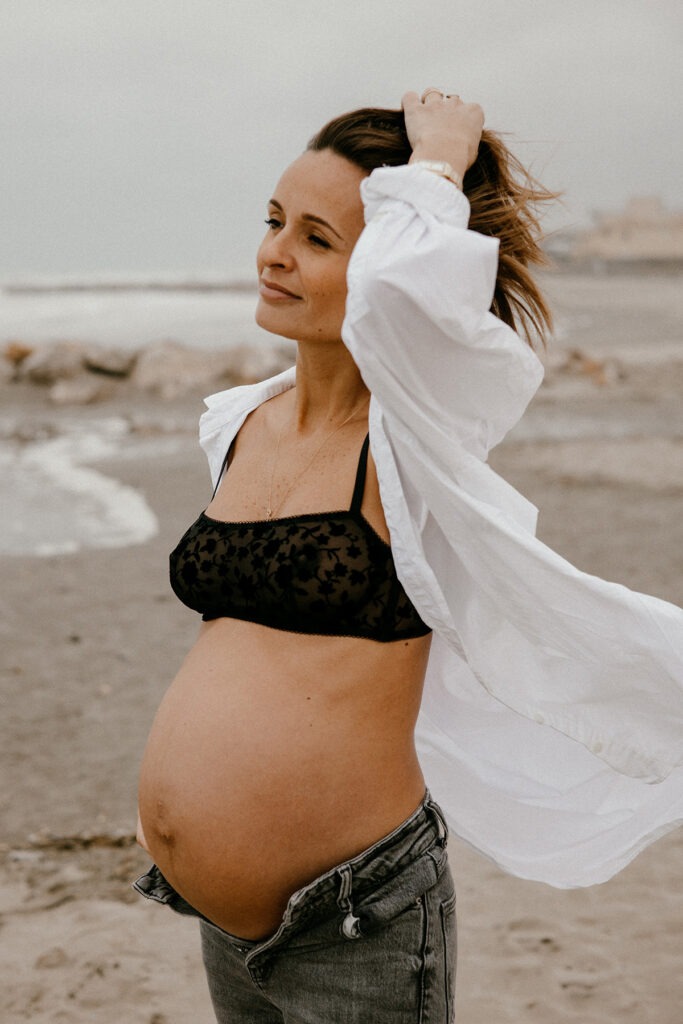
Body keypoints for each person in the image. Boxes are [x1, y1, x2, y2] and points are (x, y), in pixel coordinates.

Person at [134, 90, 683, 1023]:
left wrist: (435, 159)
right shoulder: (238, 423)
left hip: (354, 921)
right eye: (273, 222)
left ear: (382, 255)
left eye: (317, 238)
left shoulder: (414, 443)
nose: (274, 253)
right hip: (220, 927)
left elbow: (406, 296)